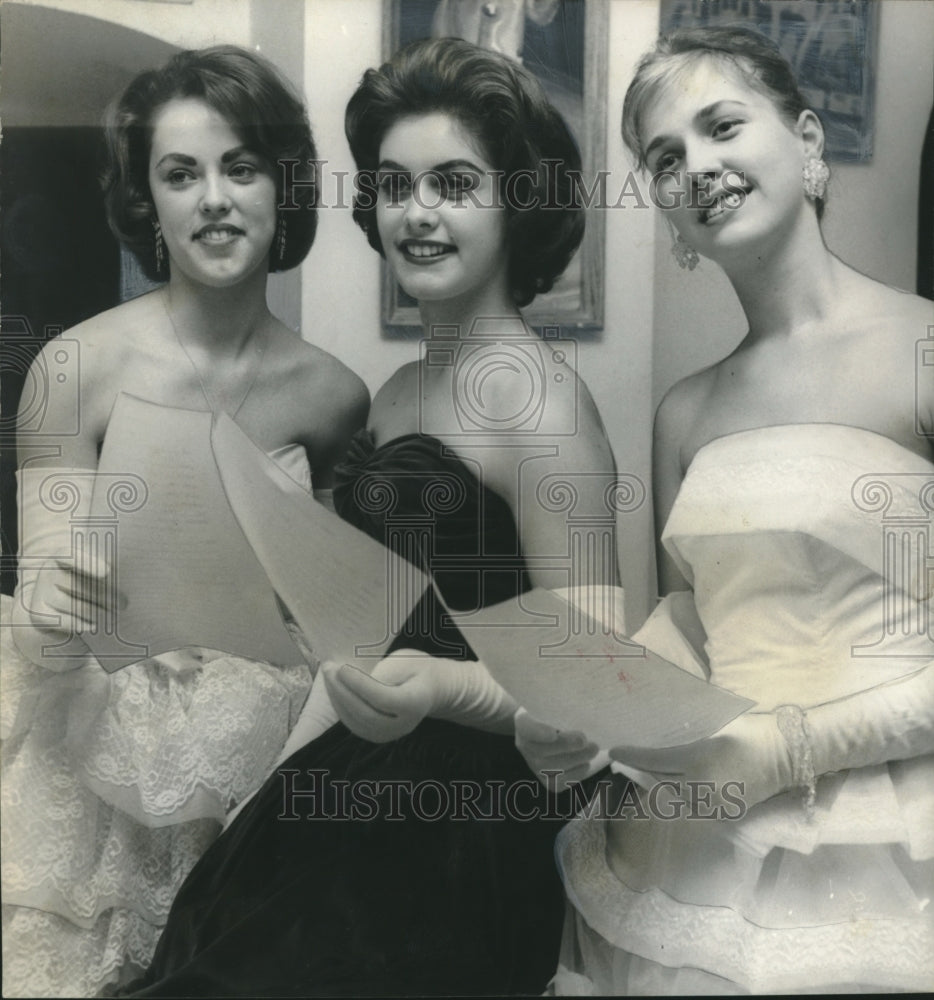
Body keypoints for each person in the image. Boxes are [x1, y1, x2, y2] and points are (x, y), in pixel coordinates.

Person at [125, 37, 620, 997]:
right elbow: (356, 635)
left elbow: (593, 695)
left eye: (453, 183)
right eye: (395, 184)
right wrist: (264, 795)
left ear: (515, 201)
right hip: (343, 784)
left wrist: (440, 686)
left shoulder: (545, 406)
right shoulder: (392, 394)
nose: (417, 213)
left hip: (463, 830)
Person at [517, 26, 934, 995]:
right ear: (664, 211)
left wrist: (791, 745)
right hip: (706, 832)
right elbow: (689, 637)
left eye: (721, 126)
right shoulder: (683, 413)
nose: (695, 166)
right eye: (665, 158)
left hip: (900, 835)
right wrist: (584, 716)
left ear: (806, 138)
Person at [1, 45, 368, 998]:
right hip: (94, 758)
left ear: (282, 186)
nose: (213, 198)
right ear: (148, 205)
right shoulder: (75, 368)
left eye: (240, 167)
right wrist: (58, 598)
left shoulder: (335, 398)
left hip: (257, 778)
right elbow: (43, 573)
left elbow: (325, 616)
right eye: (181, 173)